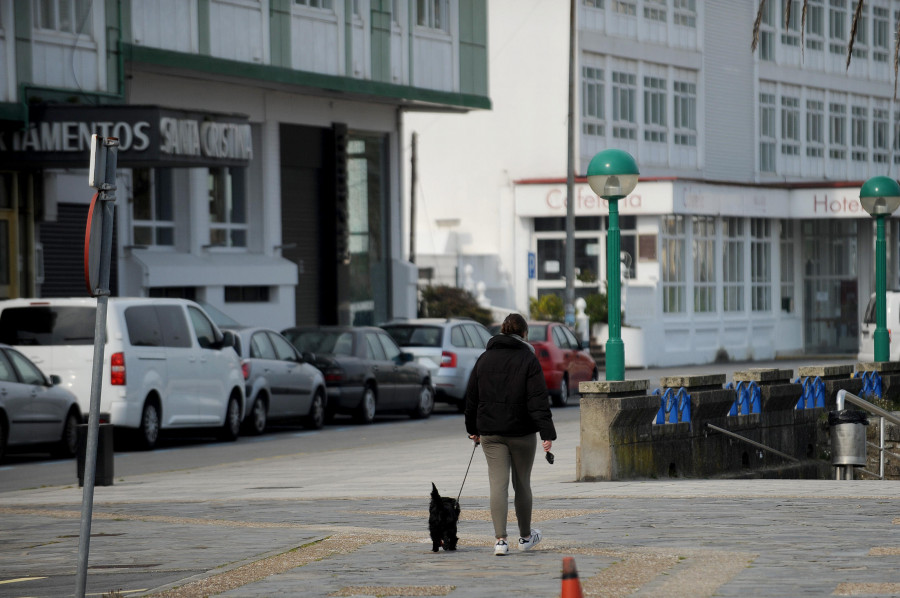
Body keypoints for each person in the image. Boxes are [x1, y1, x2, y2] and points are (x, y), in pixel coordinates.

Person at [464, 313, 556, 556]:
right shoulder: (528, 359)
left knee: (498, 484)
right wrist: (546, 433)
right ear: (524, 334)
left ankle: (500, 541)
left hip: (491, 432)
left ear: (502, 331)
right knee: (522, 483)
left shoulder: (484, 359)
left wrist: (472, 429)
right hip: (522, 432)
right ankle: (526, 537)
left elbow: (472, 397)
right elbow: (538, 399)